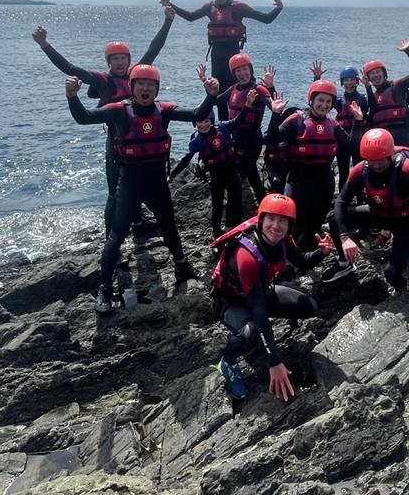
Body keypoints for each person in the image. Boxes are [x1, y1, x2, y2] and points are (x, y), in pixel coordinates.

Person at [65, 65, 218, 314]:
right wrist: (72, 96)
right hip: (130, 181)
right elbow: (84, 117)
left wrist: (210, 94)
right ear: (132, 88)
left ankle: (181, 266)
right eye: (140, 84)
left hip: (157, 180)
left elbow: (199, 113)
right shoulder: (119, 111)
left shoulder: (165, 111)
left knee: (169, 225)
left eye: (150, 85)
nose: (145, 89)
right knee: (117, 234)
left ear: (156, 89)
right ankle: (104, 288)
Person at [32, 7, 175, 234]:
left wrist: (167, 21)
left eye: (124, 58)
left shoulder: (137, 75)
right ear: (109, 62)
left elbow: (154, 48)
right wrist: (45, 45)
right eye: (115, 59)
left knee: (136, 184)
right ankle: (111, 236)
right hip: (115, 141)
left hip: (137, 140)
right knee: (114, 192)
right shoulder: (101, 82)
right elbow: (69, 68)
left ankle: (137, 223)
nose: (120, 62)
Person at [210, 194, 331, 401]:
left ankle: (260, 337)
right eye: (271, 219)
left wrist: (322, 253)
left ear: (289, 225)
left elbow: (302, 261)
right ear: (261, 220)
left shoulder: (284, 240)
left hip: (259, 291)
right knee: (252, 331)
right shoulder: (246, 256)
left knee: (308, 306)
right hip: (231, 302)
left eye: (283, 220)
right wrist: (275, 362)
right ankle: (227, 362)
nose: (276, 226)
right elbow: (259, 311)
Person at [328, 128, 409, 290]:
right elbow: (341, 201)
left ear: (390, 154)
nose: (376, 164)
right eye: (371, 159)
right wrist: (345, 237)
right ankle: (345, 265)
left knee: (391, 274)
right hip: (380, 215)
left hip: (408, 223)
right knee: (334, 220)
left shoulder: (406, 169)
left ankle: (405, 293)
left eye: (380, 159)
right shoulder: (362, 169)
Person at [159, 0, 283, 117]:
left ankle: (241, 122)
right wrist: (170, 5)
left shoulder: (238, 7)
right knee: (219, 94)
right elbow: (191, 16)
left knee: (238, 91)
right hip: (216, 55)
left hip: (233, 54)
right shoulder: (209, 7)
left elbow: (266, 19)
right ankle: (223, 126)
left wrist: (278, 8)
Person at [267, 80, 362, 260]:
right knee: (295, 223)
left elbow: (350, 147)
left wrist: (358, 121)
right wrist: (275, 113)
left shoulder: (332, 124)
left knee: (315, 224)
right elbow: (273, 138)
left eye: (328, 102)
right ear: (311, 100)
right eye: (320, 100)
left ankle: (307, 259)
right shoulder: (297, 120)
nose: (324, 105)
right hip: (298, 180)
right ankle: (279, 259)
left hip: (323, 181)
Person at [208, 54, 275, 202]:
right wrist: (209, 89)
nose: (242, 73)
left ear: (250, 69)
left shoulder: (258, 90)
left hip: (252, 141)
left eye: (244, 69)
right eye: (237, 71)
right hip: (236, 139)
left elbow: (274, 106)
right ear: (233, 74)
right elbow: (216, 101)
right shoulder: (233, 89)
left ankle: (234, 216)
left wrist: (270, 87)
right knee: (252, 175)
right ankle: (263, 202)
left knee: (237, 178)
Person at [168, 109, 244, 238]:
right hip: (215, 173)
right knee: (217, 204)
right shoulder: (197, 140)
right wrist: (172, 175)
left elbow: (238, 120)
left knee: (235, 197)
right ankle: (216, 232)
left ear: (212, 121)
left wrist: (247, 105)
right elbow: (187, 159)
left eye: (206, 121)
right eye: (199, 122)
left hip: (231, 168)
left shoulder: (222, 127)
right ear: (194, 123)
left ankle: (231, 225)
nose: (203, 125)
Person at [311, 61, 370, 190]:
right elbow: (317, 97)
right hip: (342, 141)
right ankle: (344, 201)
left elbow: (373, 111)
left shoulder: (363, 99)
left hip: (358, 140)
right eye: (346, 80)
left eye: (352, 80)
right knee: (344, 174)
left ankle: (360, 199)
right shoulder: (337, 100)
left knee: (359, 172)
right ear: (342, 83)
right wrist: (317, 78)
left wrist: (368, 85)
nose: (349, 83)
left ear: (357, 81)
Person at [363, 38, 409, 147]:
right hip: (383, 142)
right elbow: (371, 114)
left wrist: (408, 51)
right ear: (368, 78)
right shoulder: (373, 97)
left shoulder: (398, 86)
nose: (376, 75)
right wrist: (367, 87)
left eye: (378, 72)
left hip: (403, 137)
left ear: (384, 73)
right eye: (372, 74)